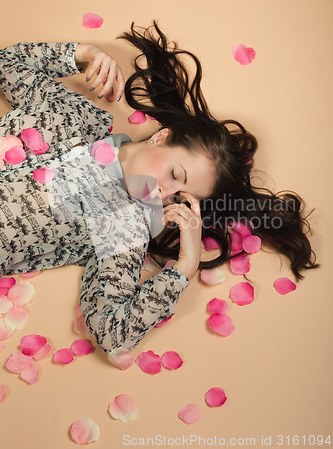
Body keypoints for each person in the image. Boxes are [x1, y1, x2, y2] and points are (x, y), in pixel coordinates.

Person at [0, 21, 319, 353]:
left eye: (180, 198)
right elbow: (8, 64)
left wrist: (185, 265)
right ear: (161, 136)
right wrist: (84, 54)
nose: (165, 193)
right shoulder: (80, 117)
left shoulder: (124, 228)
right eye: (175, 174)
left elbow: (112, 333)